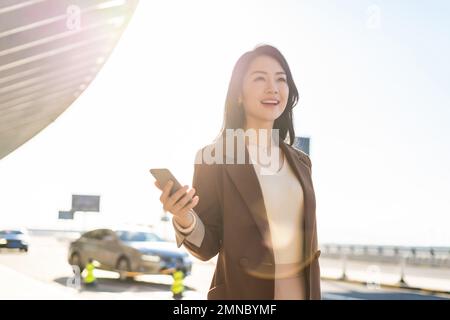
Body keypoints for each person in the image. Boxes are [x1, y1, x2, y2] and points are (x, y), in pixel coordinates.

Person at [154, 44, 320, 300]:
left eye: (280, 79)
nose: (273, 88)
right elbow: (207, 246)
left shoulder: (302, 163)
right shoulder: (214, 157)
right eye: (259, 78)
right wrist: (184, 217)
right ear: (238, 94)